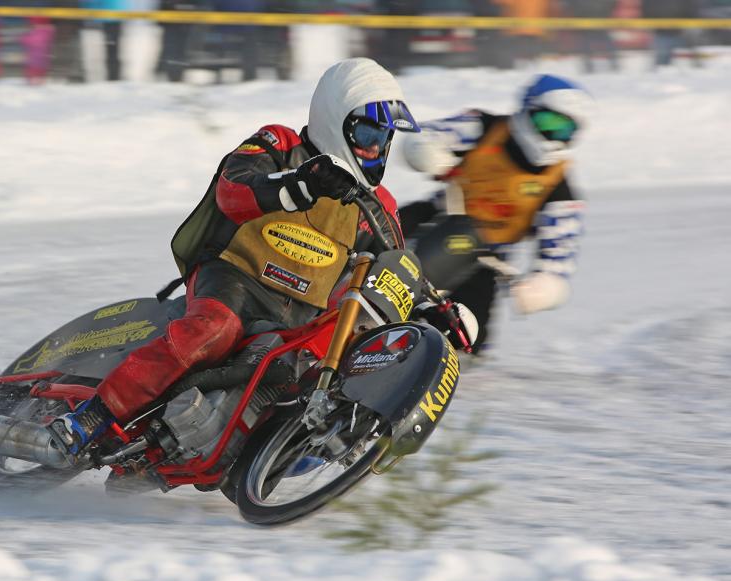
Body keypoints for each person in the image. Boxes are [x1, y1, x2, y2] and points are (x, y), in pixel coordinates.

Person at [48, 58, 465, 461]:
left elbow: (395, 266)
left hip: (298, 314)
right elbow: (234, 188)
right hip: (234, 276)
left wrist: (435, 307)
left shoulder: (378, 205)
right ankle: (90, 419)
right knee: (213, 330)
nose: (377, 148)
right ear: (335, 118)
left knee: (311, 376)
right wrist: (301, 183)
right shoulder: (279, 143)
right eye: (368, 133)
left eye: (384, 138)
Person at [398, 74, 594, 352]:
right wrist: (434, 157)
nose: (554, 135)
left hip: (485, 261)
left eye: (565, 130)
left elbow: (560, 253)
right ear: (528, 110)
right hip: (434, 218)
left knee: (466, 343)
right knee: (373, 233)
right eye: (549, 123)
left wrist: (542, 284)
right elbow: (424, 137)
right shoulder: (484, 127)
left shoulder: (559, 188)